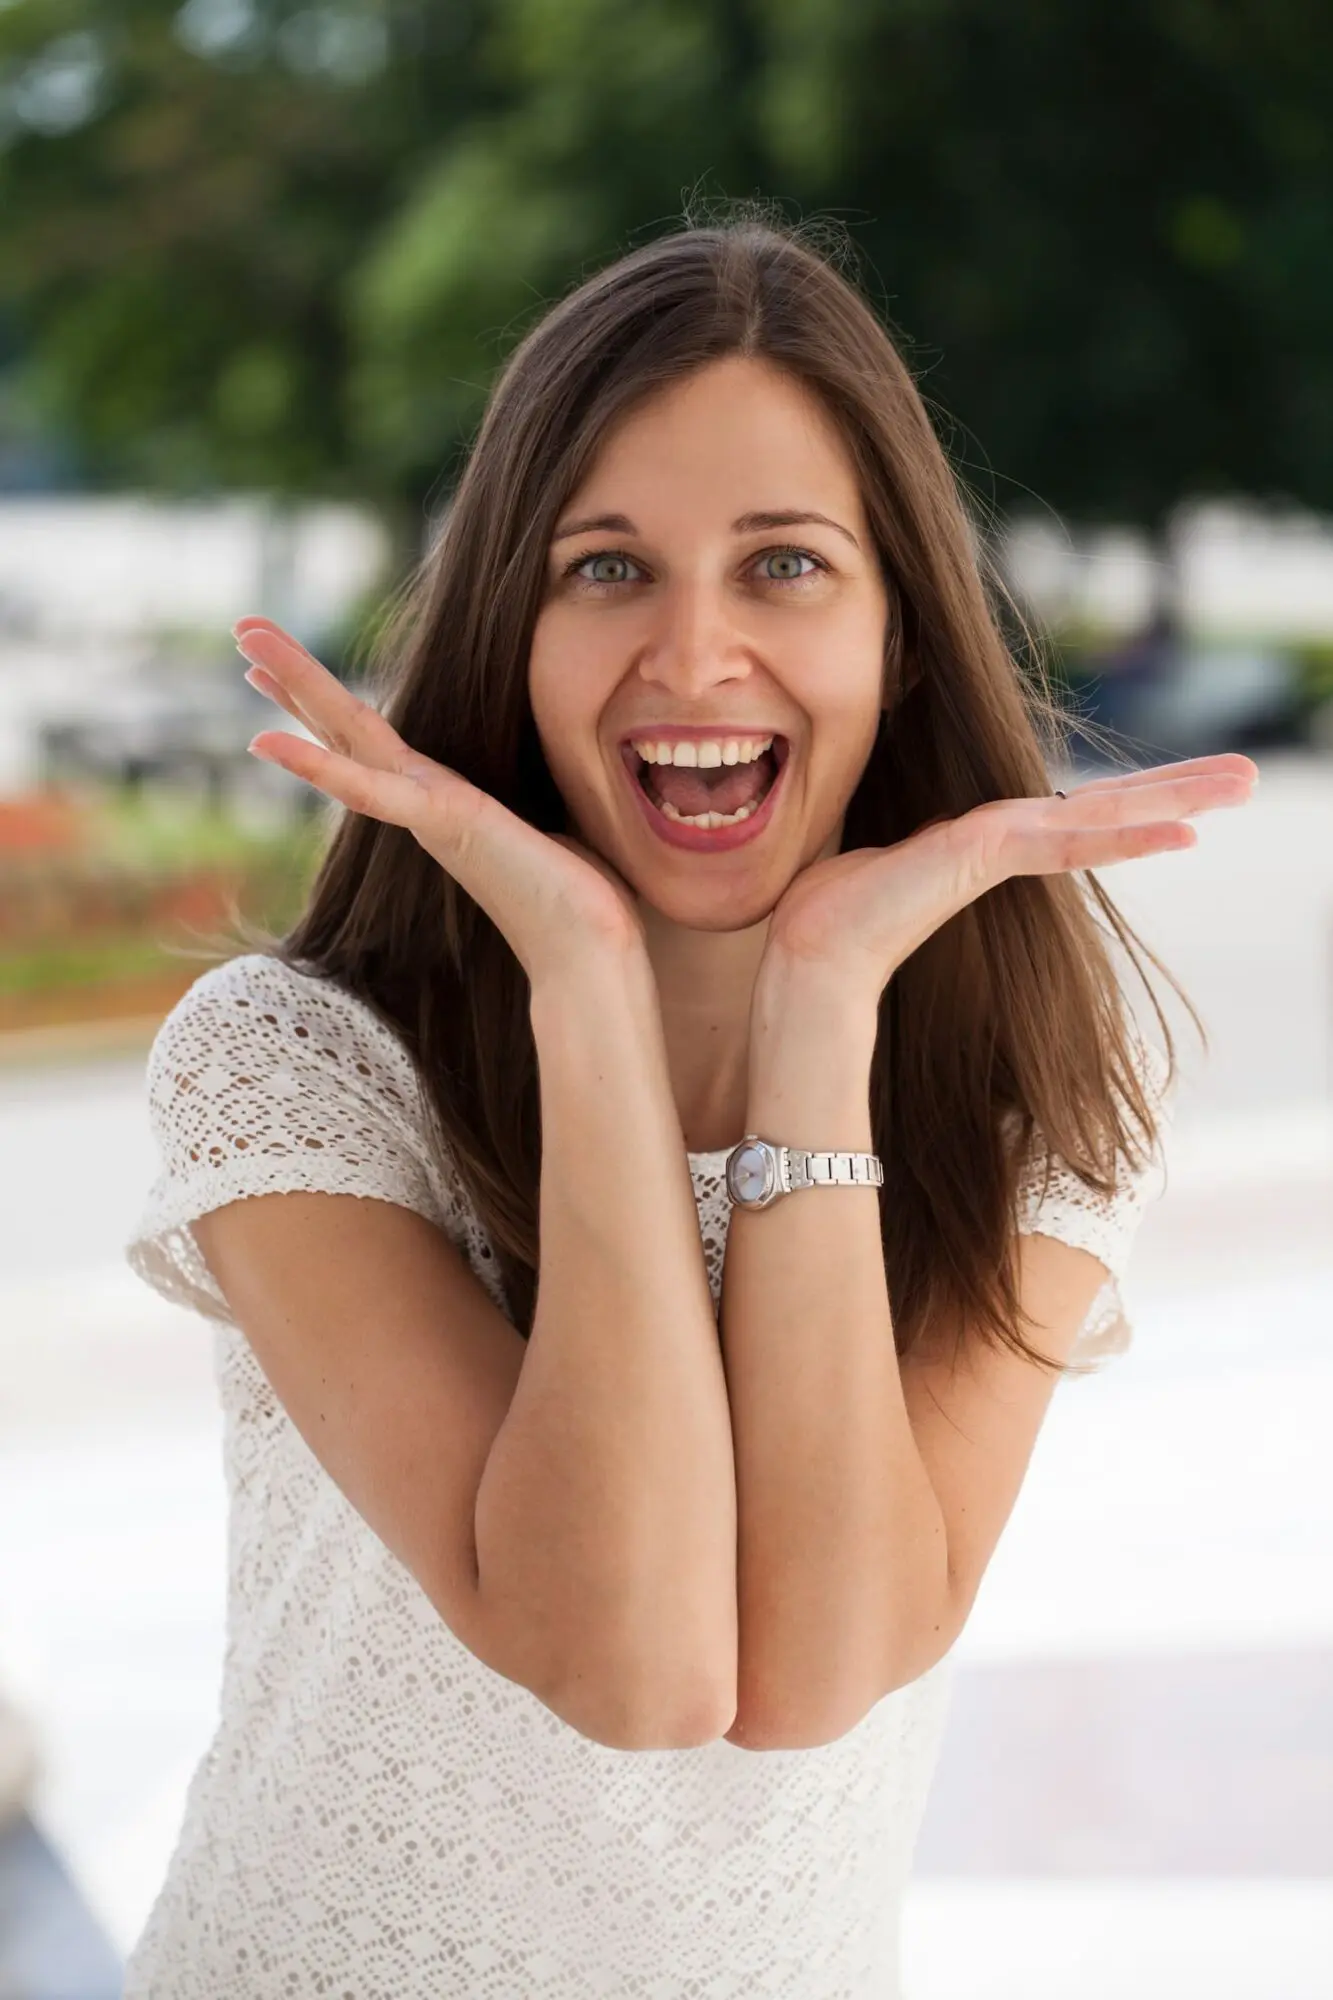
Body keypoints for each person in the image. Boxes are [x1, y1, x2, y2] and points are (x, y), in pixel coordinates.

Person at [123, 215, 1256, 1997]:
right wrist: (579, 981)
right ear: (515, 618)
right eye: (607, 570)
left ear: (899, 628)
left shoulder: (1024, 1099)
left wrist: (824, 1012)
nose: (697, 655)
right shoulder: (293, 1063)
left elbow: (805, 1679)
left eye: (786, 566)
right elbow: (631, 1666)